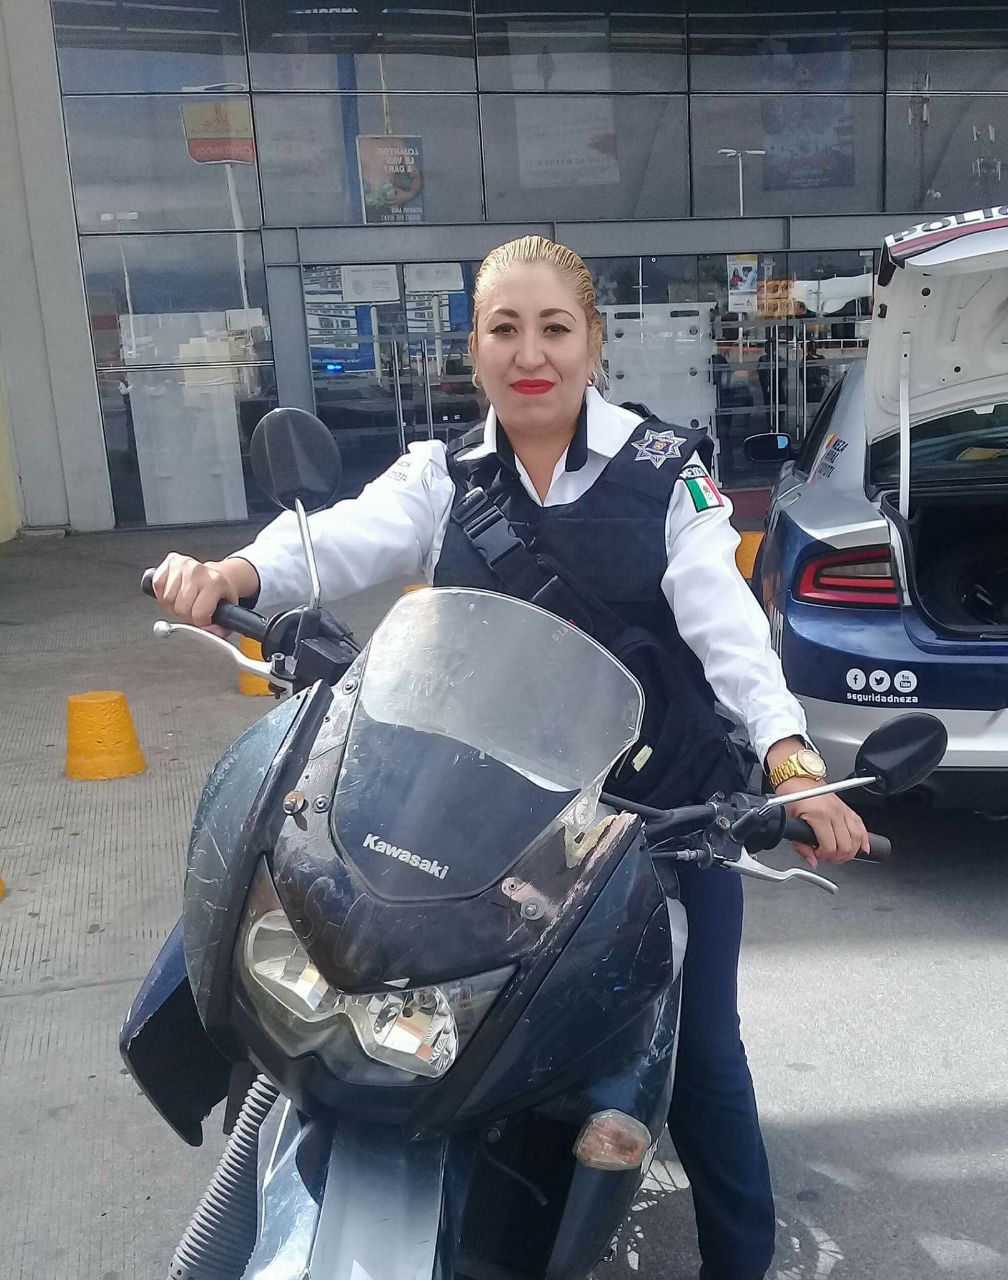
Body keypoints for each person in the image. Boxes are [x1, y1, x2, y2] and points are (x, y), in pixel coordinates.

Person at [151, 235, 868, 1280]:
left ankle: (741, 1262)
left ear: (592, 343)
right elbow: (339, 540)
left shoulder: (667, 475)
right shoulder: (443, 475)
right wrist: (231, 572)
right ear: (475, 349)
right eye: (504, 328)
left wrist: (790, 759)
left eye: (554, 328)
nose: (530, 354)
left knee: (698, 1054)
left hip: (651, 822)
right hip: (481, 816)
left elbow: (727, 628)